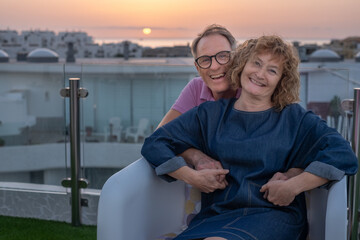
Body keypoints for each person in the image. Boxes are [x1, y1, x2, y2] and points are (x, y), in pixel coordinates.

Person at [141, 35, 358, 240]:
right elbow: (155, 143)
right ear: (242, 65)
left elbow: (342, 154)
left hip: (274, 216)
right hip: (215, 216)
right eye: (256, 63)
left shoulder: (295, 117)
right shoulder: (209, 114)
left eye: (272, 70)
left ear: (281, 81)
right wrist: (191, 175)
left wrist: (295, 185)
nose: (260, 74)